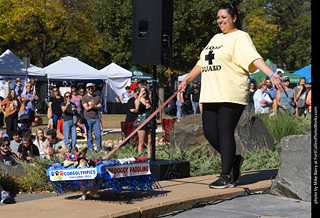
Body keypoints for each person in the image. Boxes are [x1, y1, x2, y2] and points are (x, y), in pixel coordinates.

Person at [178, 2, 283, 189]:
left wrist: (270, 74)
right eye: (218, 18)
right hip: (210, 93)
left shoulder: (240, 37)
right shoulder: (215, 38)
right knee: (211, 134)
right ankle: (234, 159)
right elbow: (202, 63)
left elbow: (254, 58)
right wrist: (186, 80)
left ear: (234, 18)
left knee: (225, 131)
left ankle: (226, 175)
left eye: (224, 17)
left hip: (231, 92)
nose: (220, 21)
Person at [82, 83, 102, 153]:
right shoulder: (84, 98)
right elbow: (86, 108)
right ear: (87, 89)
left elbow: (100, 107)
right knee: (89, 135)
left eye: (92, 88)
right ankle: (91, 150)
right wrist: (93, 106)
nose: (91, 89)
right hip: (88, 118)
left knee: (98, 134)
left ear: (94, 88)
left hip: (96, 118)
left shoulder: (97, 97)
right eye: (89, 88)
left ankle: (99, 149)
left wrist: (94, 106)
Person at [135, 86, 152, 155]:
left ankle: (149, 156)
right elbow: (137, 108)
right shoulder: (137, 100)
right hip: (142, 120)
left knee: (150, 141)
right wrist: (139, 97)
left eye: (145, 91)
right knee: (141, 141)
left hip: (149, 119)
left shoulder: (148, 100)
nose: (144, 92)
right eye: (142, 91)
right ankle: (140, 157)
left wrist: (150, 106)